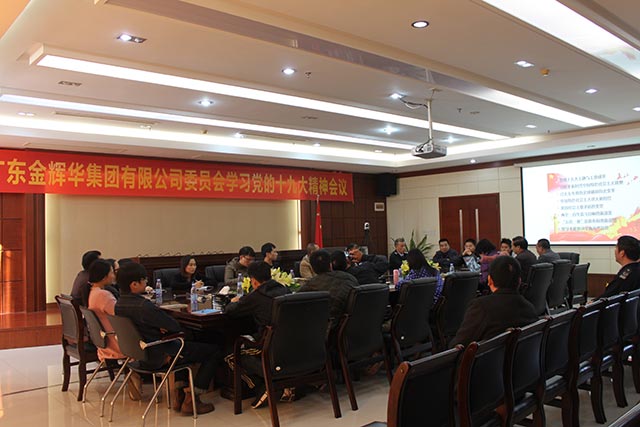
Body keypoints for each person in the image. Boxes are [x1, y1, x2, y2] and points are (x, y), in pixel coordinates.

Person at [115, 262, 220, 415]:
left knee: (183, 347)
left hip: (140, 354)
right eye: (144, 280)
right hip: (159, 355)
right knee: (214, 351)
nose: (146, 282)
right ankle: (192, 399)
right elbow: (174, 326)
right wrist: (162, 327)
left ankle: (179, 395)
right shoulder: (143, 306)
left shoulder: (119, 304)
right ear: (134, 284)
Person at [223, 261, 291, 409]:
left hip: (268, 344)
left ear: (253, 281)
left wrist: (233, 301)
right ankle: (279, 383)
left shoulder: (257, 296)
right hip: (289, 343)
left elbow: (231, 311)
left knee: (230, 354)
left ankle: (267, 384)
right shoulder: (285, 289)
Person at [450, 256, 538, 347]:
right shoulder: (530, 308)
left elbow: (459, 345)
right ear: (519, 281)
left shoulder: (481, 307)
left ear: (490, 280)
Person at [298, 249, 359, 331]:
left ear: (313, 268)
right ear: (330, 265)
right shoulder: (350, 278)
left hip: (326, 331)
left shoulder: (309, 286)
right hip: (352, 328)